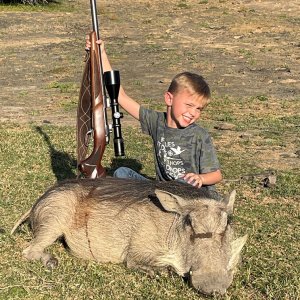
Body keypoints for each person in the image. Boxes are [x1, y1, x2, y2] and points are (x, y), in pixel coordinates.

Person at [85, 38, 222, 191]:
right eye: (189, 105)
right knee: (121, 173)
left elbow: (217, 174)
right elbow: (119, 96)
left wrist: (200, 178)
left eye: (199, 109)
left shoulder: (200, 135)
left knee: (184, 184)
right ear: (169, 98)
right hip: (163, 190)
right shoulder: (155, 121)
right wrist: (101, 54)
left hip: (192, 196)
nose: (193, 113)